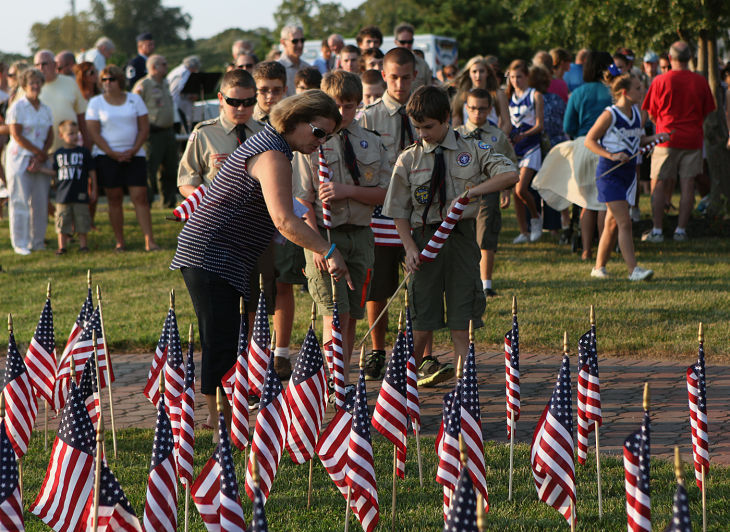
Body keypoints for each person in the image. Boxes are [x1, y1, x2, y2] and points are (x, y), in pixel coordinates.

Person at [170, 89, 349, 436]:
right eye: (318, 132)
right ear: (295, 120)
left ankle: (219, 416)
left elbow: (290, 214)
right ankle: (221, 422)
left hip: (222, 254)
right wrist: (328, 250)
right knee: (221, 337)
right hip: (210, 253)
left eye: (328, 136)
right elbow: (284, 220)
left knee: (226, 334)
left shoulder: (276, 147)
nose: (322, 142)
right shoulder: (272, 154)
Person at [383, 85, 518, 381]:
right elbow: (398, 211)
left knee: (462, 322)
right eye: (417, 127)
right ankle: (401, 393)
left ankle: (464, 392)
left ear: (446, 118)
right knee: (420, 323)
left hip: (460, 239)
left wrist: (471, 193)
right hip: (424, 241)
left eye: (429, 126)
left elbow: (510, 174)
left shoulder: (472, 149)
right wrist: (408, 247)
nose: (423, 134)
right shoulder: (409, 159)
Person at [293, 70, 389, 392]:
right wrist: (319, 246)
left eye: (349, 106)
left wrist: (347, 191)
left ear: (358, 105)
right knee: (332, 312)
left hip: (360, 234)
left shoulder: (372, 142)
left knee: (351, 315)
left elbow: (384, 192)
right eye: (335, 106)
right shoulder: (310, 144)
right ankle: (331, 383)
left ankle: (342, 376)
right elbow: (302, 200)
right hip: (323, 235)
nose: (342, 113)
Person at [358, 47, 417, 381]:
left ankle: (420, 354)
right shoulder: (369, 117)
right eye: (393, 77)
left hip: (417, 211)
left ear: (415, 76)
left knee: (419, 286)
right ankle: (378, 350)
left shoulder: (424, 110)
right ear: (383, 76)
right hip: (380, 214)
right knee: (378, 286)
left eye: (406, 77)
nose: (399, 84)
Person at [585, 72, 666, 281]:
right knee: (625, 222)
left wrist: (656, 137)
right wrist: (611, 155)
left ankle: (598, 268)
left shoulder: (637, 114)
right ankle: (633, 270)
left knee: (613, 223)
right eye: (638, 88)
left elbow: (636, 141)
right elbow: (590, 140)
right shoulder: (610, 114)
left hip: (629, 174)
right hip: (609, 173)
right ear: (625, 92)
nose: (642, 91)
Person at [641, 41, 715, 243]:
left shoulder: (659, 81)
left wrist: (662, 126)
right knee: (688, 184)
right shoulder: (700, 81)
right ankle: (680, 230)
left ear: (671, 58)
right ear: (689, 58)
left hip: (665, 137)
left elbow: (651, 113)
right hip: (692, 138)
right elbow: (708, 111)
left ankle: (657, 230)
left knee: (659, 184)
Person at [86, 64, 159, 252]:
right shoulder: (96, 102)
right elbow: (94, 132)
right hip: (107, 157)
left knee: (140, 197)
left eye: (112, 79)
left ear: (120, 81)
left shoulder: (134, 100)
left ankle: (149, 241)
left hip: (134, 155)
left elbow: (144, 128)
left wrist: (134, 150)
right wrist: (112, 153)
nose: (107, 83)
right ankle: (120, 241)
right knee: (114, 198)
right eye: (104, 79)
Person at [456, 88, 517, 298]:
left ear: (490, 110)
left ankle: (486, 283)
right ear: (466, 108)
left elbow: (509, 164)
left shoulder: (497, 136)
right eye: (472, 108)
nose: (477, 113)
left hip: (488, 192)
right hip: (460, 194)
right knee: (462, 238)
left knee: (486, 237)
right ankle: (462, 280)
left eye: (482, 109)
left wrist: (506, 190)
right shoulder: (457, 134)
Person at [561, 50, 613, 260]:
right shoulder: (612, 93)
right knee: (603, 203)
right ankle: (603, 247)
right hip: (606, 147)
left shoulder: (579, 93)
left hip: (583, 146)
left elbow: (568, 125)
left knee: (584, 202)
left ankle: (586, 250)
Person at [4, 68, 53, 254]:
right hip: (19, 158)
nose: (35, 86)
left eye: (38, 82)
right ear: (24, 85)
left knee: (40, 202)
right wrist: (35, 151)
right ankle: (20, 243)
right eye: (31, 83)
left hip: (40, 160)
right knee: (20, 200)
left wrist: (42, 154)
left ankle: (38, 241)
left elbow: (50, 133)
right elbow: (15, 133)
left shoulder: (46, 108)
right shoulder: (17, 107)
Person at [35, 120, 97, 254]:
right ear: (61, 135)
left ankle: (83, 245)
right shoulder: (59, 153)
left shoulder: (84, 152)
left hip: (80, 194)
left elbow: (92, 172)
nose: (75, 137)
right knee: (62, 221)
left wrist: (94, 190)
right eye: (71, 134)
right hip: (62, 195)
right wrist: (40, 170)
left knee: (82, 220)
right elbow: (55, 172)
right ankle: (62, 247)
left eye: (76, 133)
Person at [506, 59, 544, 243]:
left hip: (531, 147)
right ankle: (524, 231)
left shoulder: (535, 95)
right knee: (515, 193)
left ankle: (536, 219)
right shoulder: (509, 96)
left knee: (521, 189)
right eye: (512, 77)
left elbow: (540, 125)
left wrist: (524, 134)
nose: (515, 80)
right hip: (516, 149)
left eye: (519, 76)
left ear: (527, 76)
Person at [133, 54, 177, 208]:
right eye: (163, 64)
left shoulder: (165, 83)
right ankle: (147, 201)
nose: (166, 66)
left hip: (168, 131)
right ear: (154, 67)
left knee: (170, 169)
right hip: (152, 133)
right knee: (150, 169)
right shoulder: (143, 85)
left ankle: (169, 201)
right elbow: (134, 107)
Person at [35, 49, 90, 152]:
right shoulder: (29, 88)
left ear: (55, 65)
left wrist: (87, 145)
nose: (41, 68)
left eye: (44, 64)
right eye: (37, 65)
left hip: (69, 151)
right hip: (40, 153)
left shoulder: (69, 82)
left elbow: (81, 116)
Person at [450, 56, 510, 135]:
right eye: (474, 71)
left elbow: (507, 123)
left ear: (487, 73)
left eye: (481, 71)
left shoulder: (498, 94)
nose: (478, 75)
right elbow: (456, 124)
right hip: (469, 142)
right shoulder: (462, 96)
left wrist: (498, 141)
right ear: (469, 73)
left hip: (491, 140)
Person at [167, 55, 202, 133]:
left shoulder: (177, 70)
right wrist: (192, 96)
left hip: (172, 105)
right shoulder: (185, 72)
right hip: (180, 106)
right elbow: (181, 90)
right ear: (193, 67)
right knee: (186, 131)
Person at [393, 22, 432, 90]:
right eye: (403, 42)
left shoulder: (422, 64)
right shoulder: (387, 63)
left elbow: (429, 89)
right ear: (396, 42)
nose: (407, 45)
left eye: (409, 42)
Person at [278, 25, 310, 96]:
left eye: (302, 40)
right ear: (283, 42)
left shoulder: (307, 67)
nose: (300, 45)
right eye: (295, 41)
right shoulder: (277, 69)